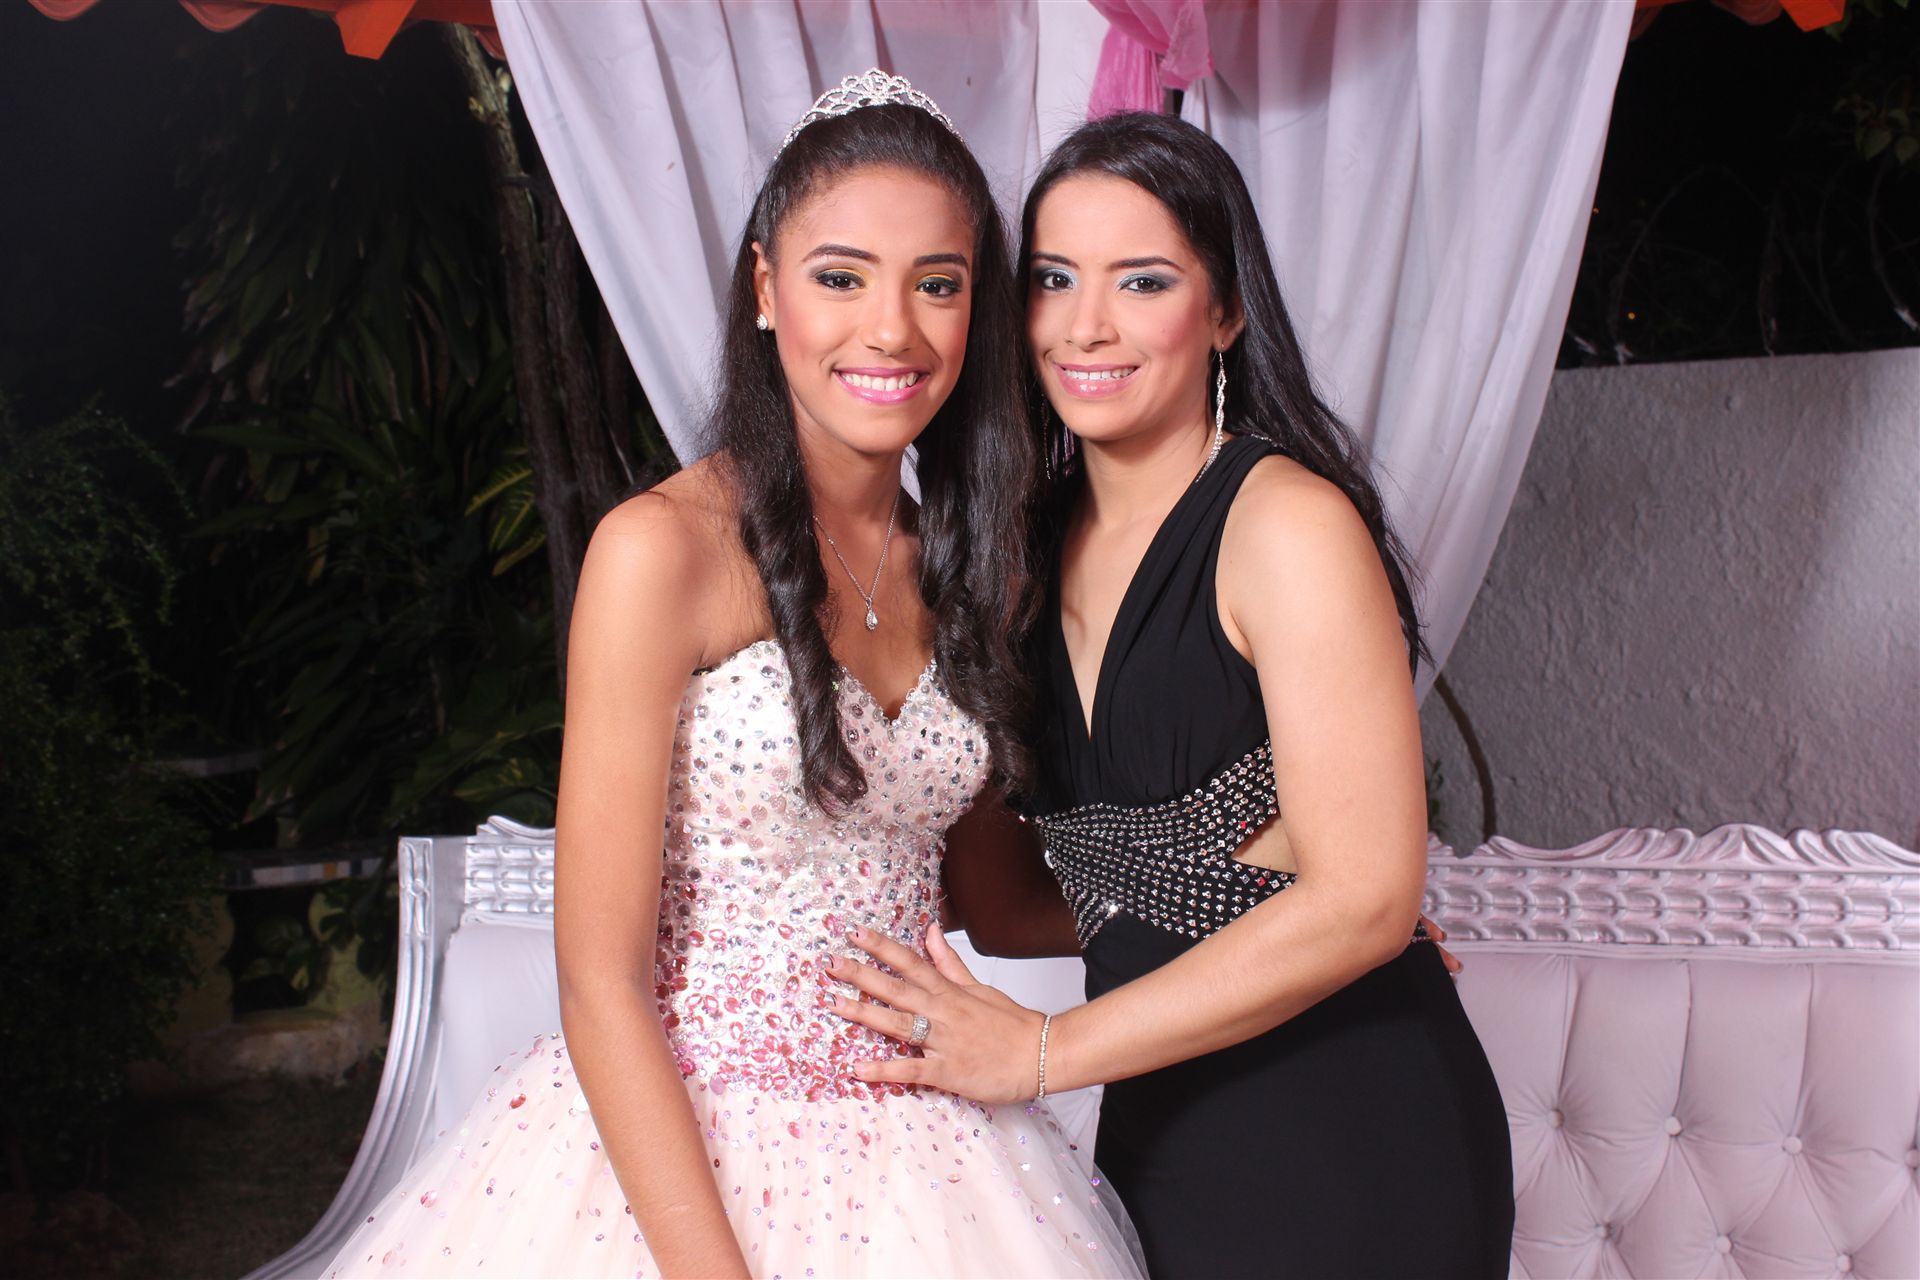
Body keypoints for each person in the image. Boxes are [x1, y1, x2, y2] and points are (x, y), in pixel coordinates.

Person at [323, 73, 1141, 1280]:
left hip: (929, 1167)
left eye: (938, 284)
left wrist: (1263, 906)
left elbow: (1002, 900)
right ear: (765, 287)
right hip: (682, 1156)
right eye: (841, 277)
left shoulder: (969, 570)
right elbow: (599, 981)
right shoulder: (660, 551)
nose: (892, 331)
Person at [831, 112, 1515, 1278]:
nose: (1086, 325)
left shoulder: (1287, 525)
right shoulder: (1013, 557)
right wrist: (1226, 892)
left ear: (1226, 311)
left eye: (1142, 280)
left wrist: (1044, 1050)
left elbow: (1364, 900)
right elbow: (1008, 905)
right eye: (1054, 279)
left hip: (1357, 1129)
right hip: (1162, 1137)